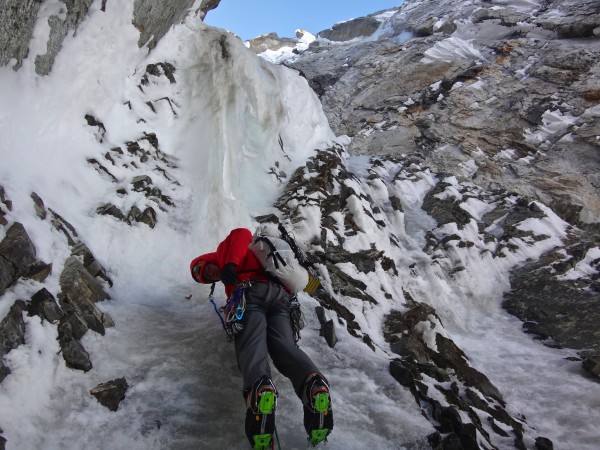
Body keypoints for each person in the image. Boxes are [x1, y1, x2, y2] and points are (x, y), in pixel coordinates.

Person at [190, 227, 334, 449]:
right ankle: (313, 385)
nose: (210, 274)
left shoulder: (224, 253)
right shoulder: (240, 263)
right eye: (206, 277)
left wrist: (229, 264)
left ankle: (260, 390)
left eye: (207, 269)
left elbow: (241, 233)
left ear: (208, 259)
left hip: (252, 297)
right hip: (280, 299)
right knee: (283, 346)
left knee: (251, 344)